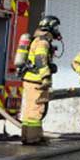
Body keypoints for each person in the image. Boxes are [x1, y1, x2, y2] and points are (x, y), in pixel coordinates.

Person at [19, 15, 60, 145]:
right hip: (37, 80)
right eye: (56, 27)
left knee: (30, 109)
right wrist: (46, 77)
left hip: (30, 79)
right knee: (37, 110)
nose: (57, 30)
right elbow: (40, 59)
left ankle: (28, 136)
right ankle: (33, 139)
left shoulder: (37, 40)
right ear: (50, 27)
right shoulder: (43, 42)